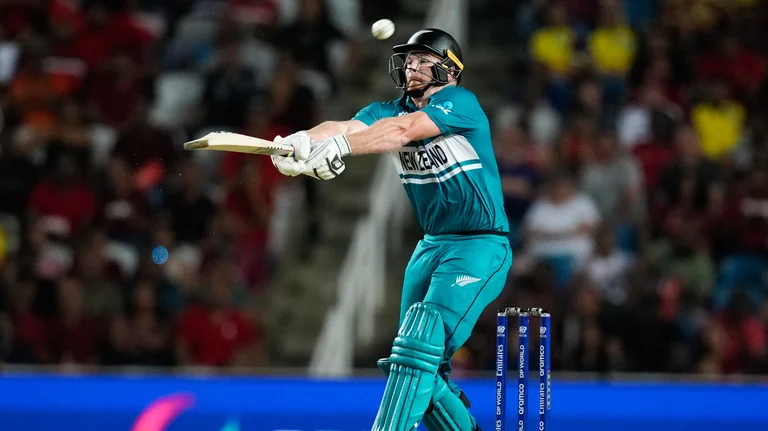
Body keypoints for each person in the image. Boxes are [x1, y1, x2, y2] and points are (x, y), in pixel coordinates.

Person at [272, 28, 511, 431]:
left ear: (449, 68)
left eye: (422, 59)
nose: (412, 67)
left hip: (479, 244)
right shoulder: (391, 109)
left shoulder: (460, 102)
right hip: (431, 246)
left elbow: (401, 133)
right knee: (415, 363)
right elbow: (344, 127)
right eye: (409, 60)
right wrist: (300, 142)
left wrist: (343, 149)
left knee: (421, 340)